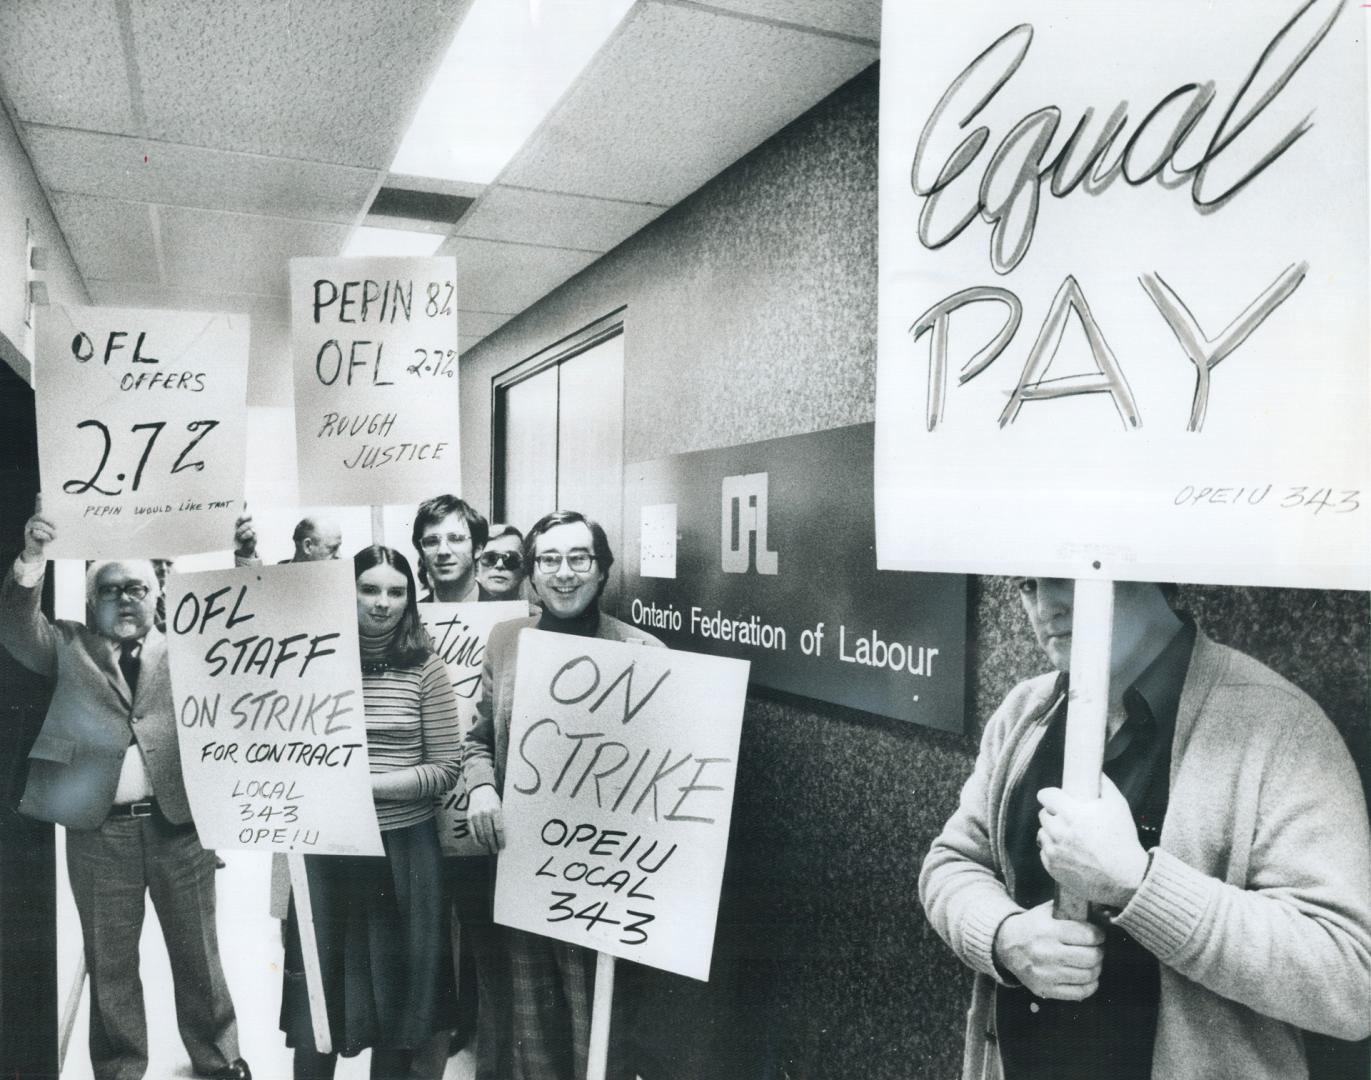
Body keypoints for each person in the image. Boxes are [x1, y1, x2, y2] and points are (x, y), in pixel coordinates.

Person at [919, 577, 1371, 1080]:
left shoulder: (1278, 726)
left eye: (1070, 575)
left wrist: (1137, 883)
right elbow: (952, 862)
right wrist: (1004, 937)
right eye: (1027, 584)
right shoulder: (1026, 711)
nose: (1047, 607)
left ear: (1149, 567)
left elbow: (1352, 979)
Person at [0, 509, 249, 1080]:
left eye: (137, 588)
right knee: (110, 964)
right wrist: (33, 558)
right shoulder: (65, 645)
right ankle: (119, 1069)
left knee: (200, 958)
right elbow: (16, 626)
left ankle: (220, 1060)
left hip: (179, 830)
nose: (125, 599)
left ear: (158, 594)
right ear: (92, 601)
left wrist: (243, 554)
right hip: (98, 832)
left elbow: (249, 631)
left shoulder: (191, 645)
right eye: (110, 590)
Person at [464, 510, 663, 1080]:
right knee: (534, 1026)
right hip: (526, 863)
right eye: (549, 560)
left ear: (603, 571)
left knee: (598, 1029)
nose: (565, 573)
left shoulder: (643, 651)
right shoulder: (506, 641)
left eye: (580, 558)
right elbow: (478, 740)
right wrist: (481, 786)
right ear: (532, 573)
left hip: (607, 874)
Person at [279, 546, 463, 1080]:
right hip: (327, 847)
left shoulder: (427, 670)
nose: (383, 603)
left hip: (405, 852)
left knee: (400, 1003)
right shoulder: (310, 661)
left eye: (397, 591)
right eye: (370, 589)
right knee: (319, 995)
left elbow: (445, 768)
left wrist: (364, 785)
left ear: (411, 599)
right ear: (347, 591)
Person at [412, 494, 488, 603]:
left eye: (456, 538)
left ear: (477, 549)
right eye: (432, 541)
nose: (443, 551)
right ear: (421, 552)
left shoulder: (505, 612)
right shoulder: (411, 616)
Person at [234, 512, 342, 565]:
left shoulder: (343, 584)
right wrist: (247, 553)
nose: (339, 556)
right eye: (333, 548)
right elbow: (253, 590)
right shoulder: (273, 581)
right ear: (308, 546)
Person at [475, 524, 527, 602]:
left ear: (524, 570)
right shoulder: (455, 610)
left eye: (511, 559)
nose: (499, 565)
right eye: (490, 558)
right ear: (476, 566)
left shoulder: (536, 612)